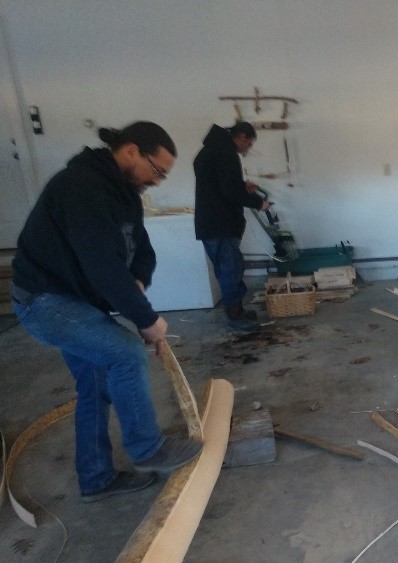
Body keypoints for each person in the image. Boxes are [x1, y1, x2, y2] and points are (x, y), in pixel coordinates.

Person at [11, 122, 203, 503]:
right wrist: (147, 321)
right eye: (157, 171)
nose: (159, 181)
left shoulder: (125, 194)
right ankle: (148, 449)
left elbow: (142, 250)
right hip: (45, 301)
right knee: (125, 352)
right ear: (131, 151)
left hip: (75, 301)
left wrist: (139, 283)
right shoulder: (82, 188)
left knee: (95, 386)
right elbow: (101, 266)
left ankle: (96, 478)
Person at [193, 121, 269, 331]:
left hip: (212, 222)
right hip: (220, 224)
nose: (248, 149)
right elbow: (228, 190)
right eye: (249, 144)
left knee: (230, 267)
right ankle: (235, 318)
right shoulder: (225, 153)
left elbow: (219, 185)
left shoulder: (210, 150)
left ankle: (238, 312)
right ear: (242, 136)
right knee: (230, 269)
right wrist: (258, 202)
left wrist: (242, 186)